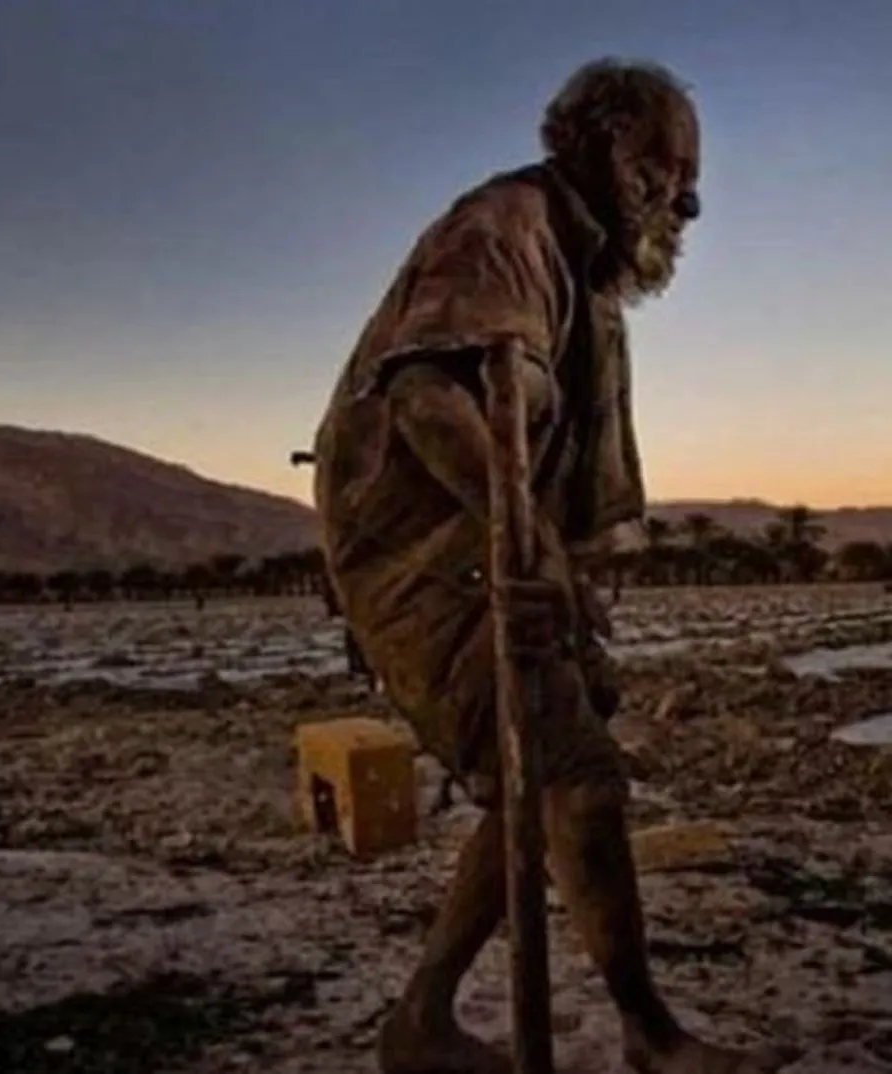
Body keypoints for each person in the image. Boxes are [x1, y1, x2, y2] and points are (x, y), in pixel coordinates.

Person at [311, 60, 787, 1074]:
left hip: (496, 549)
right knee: (578, 777)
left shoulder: (586, 275)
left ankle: (422, 1021)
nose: (686, 203)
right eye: (664, 169)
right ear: (602, 144)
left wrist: (558, 561)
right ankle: (650, 1035)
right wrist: (527, 541)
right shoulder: (505, 229)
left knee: (537, 779)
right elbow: (428, 402)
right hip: (430, 559)